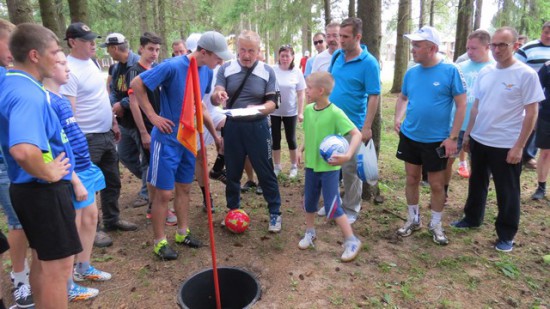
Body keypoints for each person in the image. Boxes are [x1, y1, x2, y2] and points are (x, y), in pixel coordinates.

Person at [0, 23, 82, 309]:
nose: (60, 57)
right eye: (55, 51)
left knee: (44, 263)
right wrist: (48, 172)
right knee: (58, 271)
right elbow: (22, 149)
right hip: (41, 191)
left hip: (30, 190)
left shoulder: (13, 82)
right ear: (35, 55)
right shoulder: (28, 94)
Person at [131, 31, 229, 260]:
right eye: (218, 57)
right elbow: (137, 84)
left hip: (188, 137)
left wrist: (213, 134)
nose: (221, 62)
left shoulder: (206, 70)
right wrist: (153, 117)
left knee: (184, 187)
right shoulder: (173, 66)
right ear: (204, 52)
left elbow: (200, 105)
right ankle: (159, 241)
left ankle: (182, 233)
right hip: (166, 139)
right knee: (164, 193)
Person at [451, 27, 544, 252]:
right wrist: (469, 134)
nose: (497, 49)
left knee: (507, 191)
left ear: (515, 46)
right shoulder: (486, 72)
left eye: (503, 44)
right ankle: (472, 218)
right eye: (494, 44)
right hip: (480, 139)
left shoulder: (526, 74)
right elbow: (477, 107)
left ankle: (506, 234)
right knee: (477, 182)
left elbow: (532, 112)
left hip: (506, 144)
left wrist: (519, 146)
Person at [60, 23, 138, 248]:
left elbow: (102, 96)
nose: (93, 43)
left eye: (93, 39)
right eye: (87, 40)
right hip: (86, 137)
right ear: (73, 42)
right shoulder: (69, 69)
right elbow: (69, 111)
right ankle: (92, 229)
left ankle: (112, 219)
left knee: (112, 180)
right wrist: (75, 142)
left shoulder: (92, 63)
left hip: (105, 133)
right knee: (88, 185)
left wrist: (113, 122)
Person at [44, 51, 112, 302]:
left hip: (85, 165)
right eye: (62, 63)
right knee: (73, 224)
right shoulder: (45, 100)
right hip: (73, 173)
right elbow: (52, 147)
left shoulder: (60, 98)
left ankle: (84, 267)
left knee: (91, 217)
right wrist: (73, 178)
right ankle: (68, 282)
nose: (68, 68)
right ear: (47, 67)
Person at [394, 25, 467, 245]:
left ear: (432, 48)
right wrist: (398, 118)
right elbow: (403, 97)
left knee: (436, 184)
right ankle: (413, 219)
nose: (413, 49)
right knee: (412, 178)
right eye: (413, 44)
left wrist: (453, 137)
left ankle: (436, 224)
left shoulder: (450, 71)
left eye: (417, 45)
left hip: (437, 140)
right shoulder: (411, 72)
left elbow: (461, 104)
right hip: (410, 136)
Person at [211, 30, 283, 233]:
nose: (246, 55)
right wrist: (218, 95)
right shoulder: (226, 69)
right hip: (232, 127)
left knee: (265, 171)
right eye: (242, 50)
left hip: (258, 127)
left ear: (258, 51)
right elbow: (216, 95)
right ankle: (233, 210)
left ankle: (275, 213)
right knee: (232, 172)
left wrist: (259, 109)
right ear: (237, 50)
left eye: (251, 50)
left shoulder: (267, 71)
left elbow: (273, 102)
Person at [297, 71, 362, 262]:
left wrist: (347, 155)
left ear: (320, 90)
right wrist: (301, 149)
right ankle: (310, 232)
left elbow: (356, 134)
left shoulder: (335, 113)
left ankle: (351, 240)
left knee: (333, 206)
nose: (306, 91)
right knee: (309, 202)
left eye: (309, 88)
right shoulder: (309, 110)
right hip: (311, 166)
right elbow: (311, 133)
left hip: (330, 169)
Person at [324, 17, 381, 224]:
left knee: (349, 169)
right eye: (339, 36)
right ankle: (332, 202)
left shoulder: (369, 63)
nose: (340, 40)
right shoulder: (338, 55)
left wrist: (366, 127)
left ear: (358, 37)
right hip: (331, 121)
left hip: (352, 125)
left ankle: (351, 208)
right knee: (329, 163)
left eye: (345, 37)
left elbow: (374, 96)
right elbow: (330, 82)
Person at [0, 18, 34, 309]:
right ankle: (20, 279)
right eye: (6, 42)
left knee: (21, 220)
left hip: (9, 157)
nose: (11, 49)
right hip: (7, 159)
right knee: (18, 221)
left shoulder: (8, 75)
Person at [126, 32, 177, 225]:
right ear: (141, 48)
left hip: (161, 125)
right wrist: (144, 132)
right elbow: (133, 104)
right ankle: (158, 207)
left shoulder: (157, 68)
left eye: (157, 49)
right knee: (152, 168)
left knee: (156, 167)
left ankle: (154, 205)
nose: (154, 53)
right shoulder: (135, 71)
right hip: (148, 127)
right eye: (150, 49)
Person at [444, 30, 494, 194]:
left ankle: (474, 203)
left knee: (479, 167)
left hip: (481, 127)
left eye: (474, 48)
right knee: (447, 160)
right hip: (456, 125)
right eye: (468, 48)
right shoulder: (458, 68)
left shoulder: (494, 69)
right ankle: (443, 192)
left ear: (487, 47)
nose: (469, 52)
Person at [104, 33, 149, 208]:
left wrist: (123, 104)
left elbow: (143, 92)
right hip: (124, 123)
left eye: (108, 48)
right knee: (124, 155)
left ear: (114, 48)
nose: (108, 52)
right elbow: (114, 89)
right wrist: (115, 103)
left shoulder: (138, 65)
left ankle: (147, 193)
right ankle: (152, 182)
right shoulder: (116, 68)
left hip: (140, 121)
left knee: (146, 158)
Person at [515, 21, 550, 169]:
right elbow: (515, 66)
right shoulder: (528, 48)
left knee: (538, 127)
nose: (548, 36)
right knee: (526, 123)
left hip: (546, 97)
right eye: (546, 32)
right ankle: (517, 150)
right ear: (541, 31)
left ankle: (528, 155)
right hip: (527, 92)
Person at [271, 45, 306, 178]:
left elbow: (301, 93)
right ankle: (277, 166)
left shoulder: (297, 72)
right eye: (282, 56)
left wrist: (300, 112)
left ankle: (293, 166)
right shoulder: (272, 70)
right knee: (275, 139)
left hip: (290, 112)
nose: (285, 58)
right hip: (274, 111)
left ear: (292, 57)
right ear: (279, 57)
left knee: (291, 139)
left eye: (288, 56)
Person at [532, 61, 550, 200]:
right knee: (545, 153)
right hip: (547, 116)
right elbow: (536, 91)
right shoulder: (547, 67)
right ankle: (541, 187)